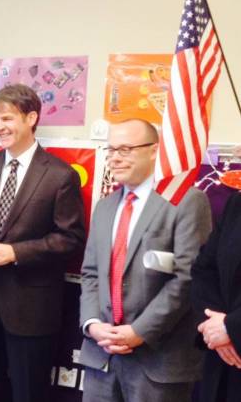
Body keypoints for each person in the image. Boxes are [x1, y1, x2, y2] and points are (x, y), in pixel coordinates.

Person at [0, 84, 86, 402]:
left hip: (32, 308)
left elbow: (70, 239)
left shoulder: (59, 175)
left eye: (7, 119)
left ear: (31, 118)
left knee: (28, 392)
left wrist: (13, 253)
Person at [79, 118, 212, 402]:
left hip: (158, 362)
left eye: (125, 149)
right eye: (111, 150)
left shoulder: (186, 201)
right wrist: (91, 324)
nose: (115, 157)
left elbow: (187, 277)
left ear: (154, 150)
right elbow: (90, 274)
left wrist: (139, 331)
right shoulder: (104, 207)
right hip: (101, 358)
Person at [191, 192, 241, 402]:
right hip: (222, 361)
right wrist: (215, 326)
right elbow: (205, 269)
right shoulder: (237, 203)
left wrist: (232, 327)